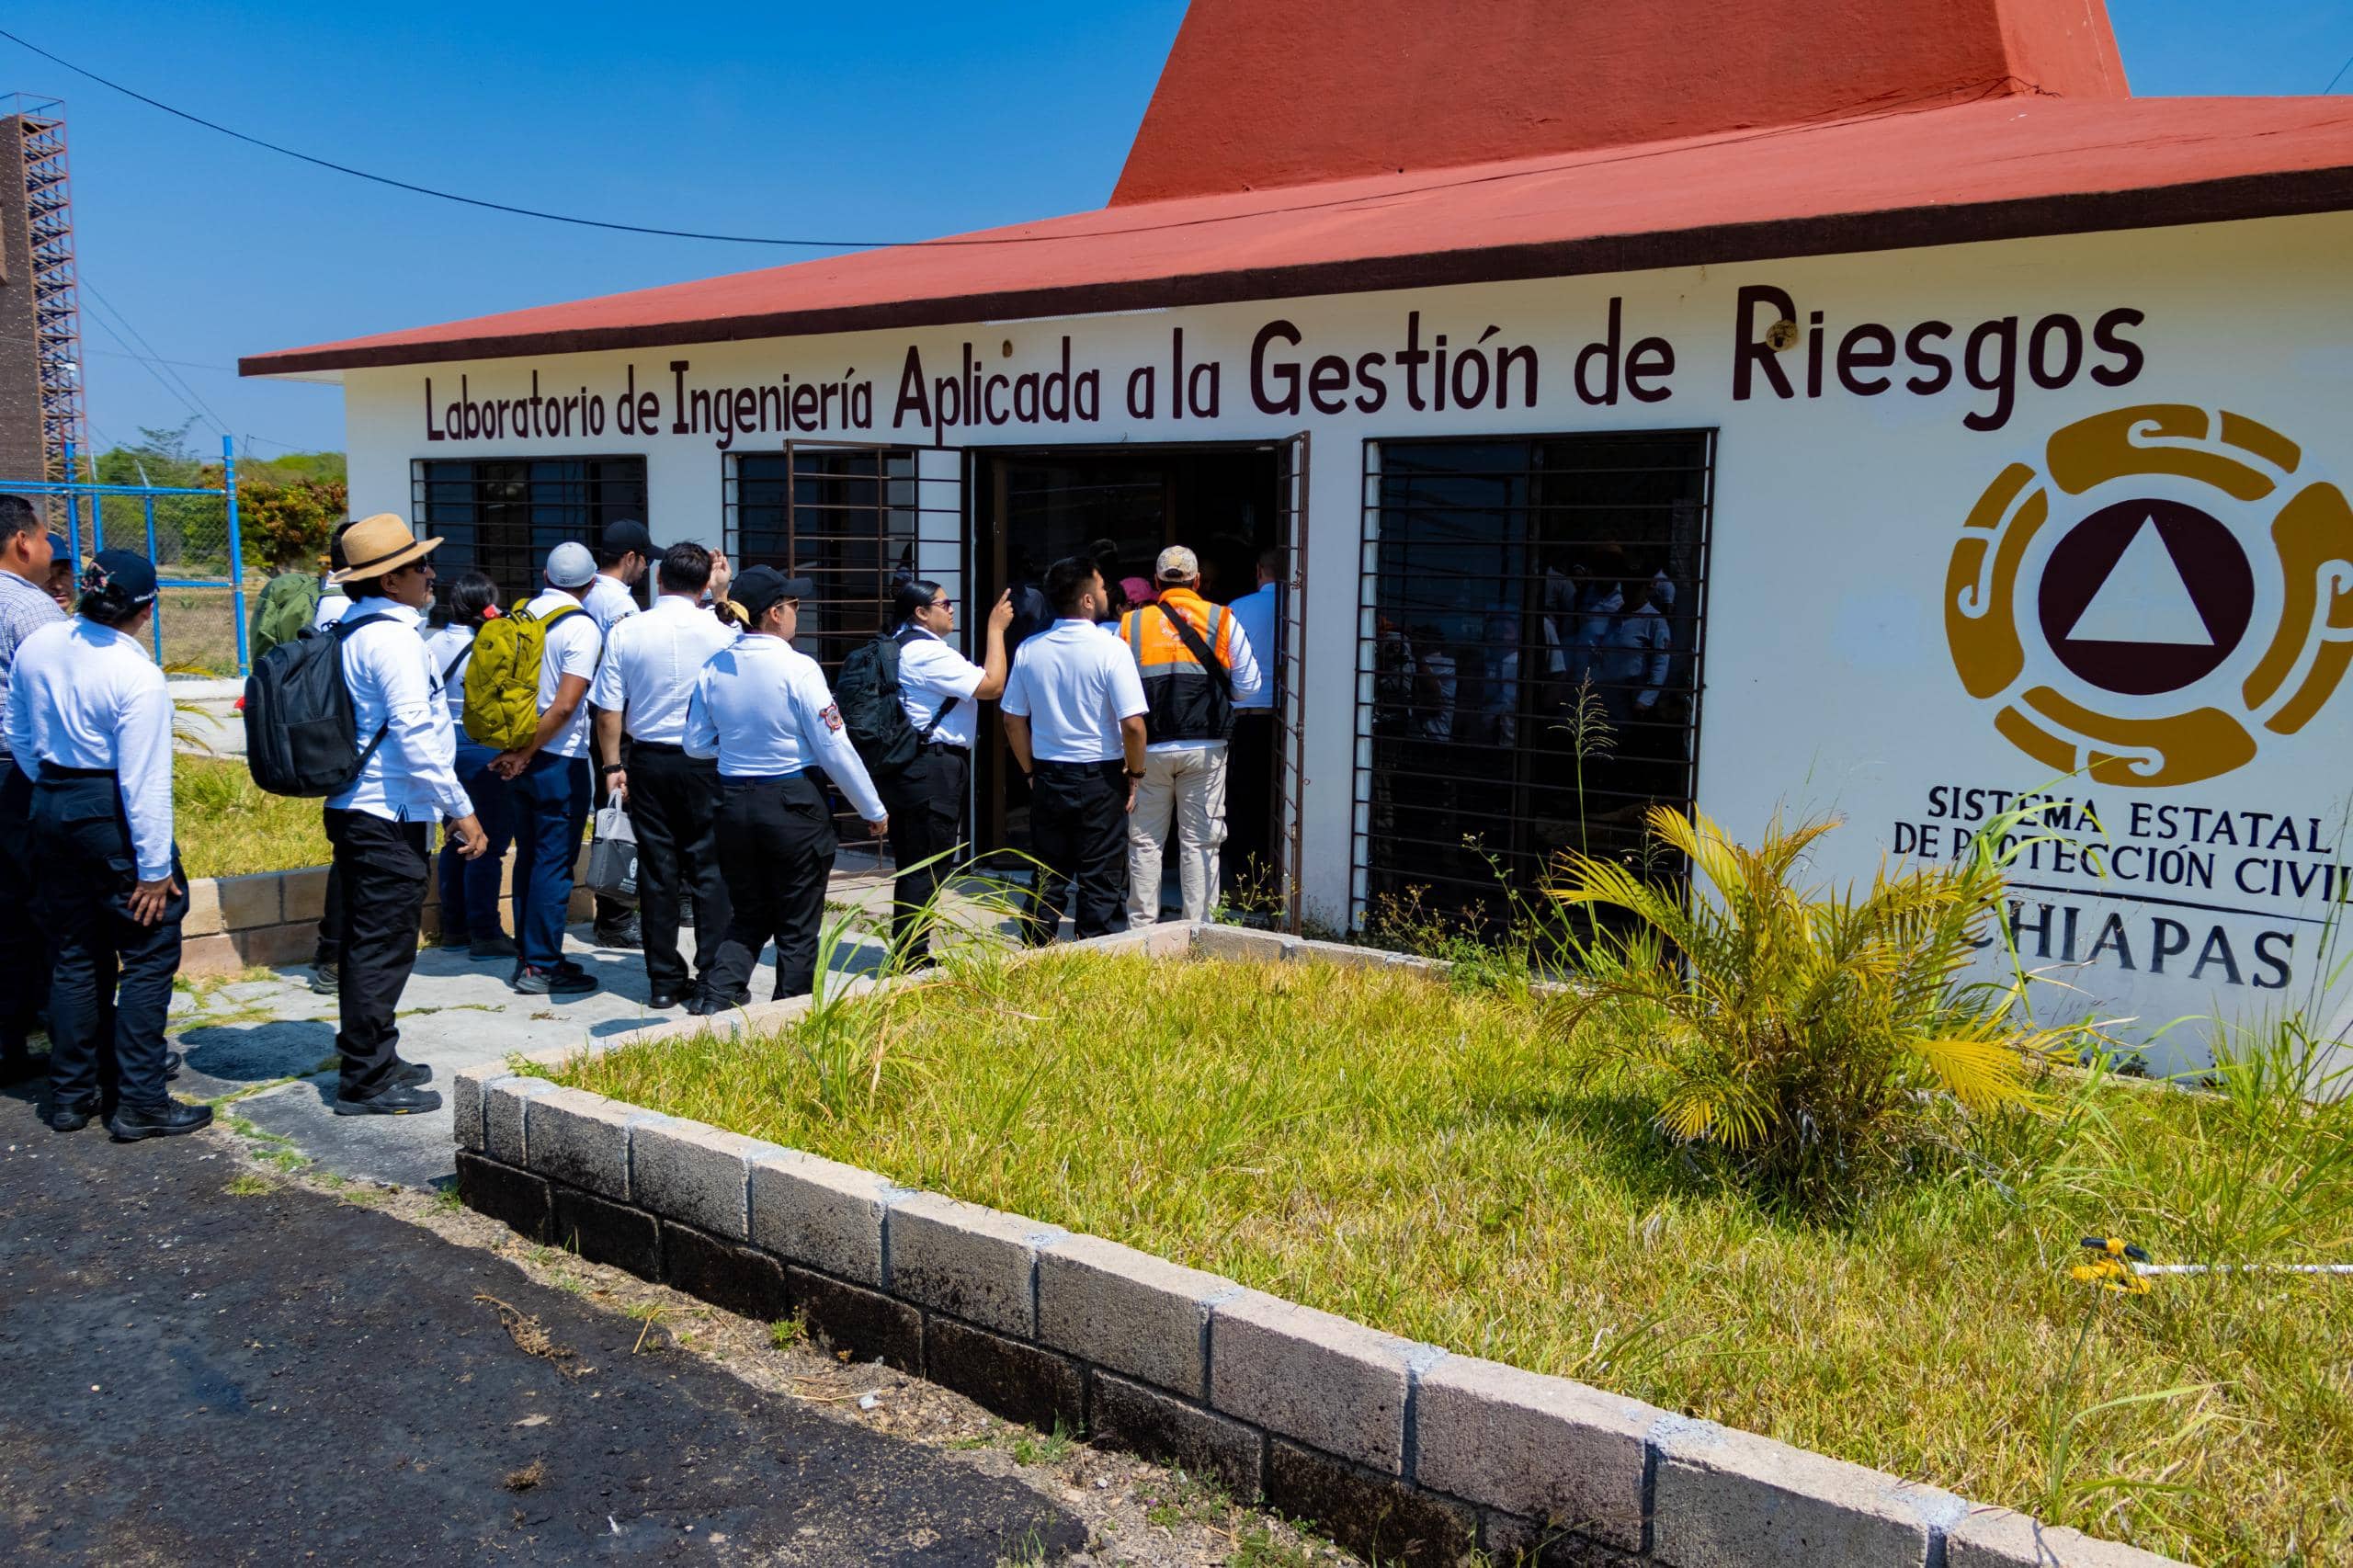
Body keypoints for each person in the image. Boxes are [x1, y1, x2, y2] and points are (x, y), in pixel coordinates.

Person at [6, 550, 209, 1138]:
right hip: (110, 811)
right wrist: (151, 871)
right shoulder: (136, 675)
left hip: (50, 799)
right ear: (147, 609)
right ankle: (141, 1101)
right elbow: (144, 780)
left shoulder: (40, 645)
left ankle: (72, 1096)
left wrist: (55, 786)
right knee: (147, 954)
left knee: (74, 952)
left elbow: (18, 732)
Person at [318, 516, 490, 1114]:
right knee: (381, 947)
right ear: (389, 581)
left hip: (372, 806)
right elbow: (415, 734)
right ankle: (364, 1080)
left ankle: (377, 1055)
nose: (429, 574)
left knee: (379, 943)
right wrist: (461, 809)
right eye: (419, 566)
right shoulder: (391, 640)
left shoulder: (355, 629)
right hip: (382, 811)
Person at [684, 566, 887, 1012]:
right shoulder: (798, 668)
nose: (799, 612)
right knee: (797, 925)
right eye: (794, 605)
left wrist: (738, 745)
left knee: (750, 914)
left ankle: (713, 999)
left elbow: (696, 744)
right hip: (793, 805)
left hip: (734, 802)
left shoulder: (716, 666)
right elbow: (834, 747)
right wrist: (871, 808)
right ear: (775, 613)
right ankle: (790, 1018)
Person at [592, 541, 739, 1009]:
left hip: (649, 760)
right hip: (708, 762)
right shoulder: (723, 631)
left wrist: (613, 765)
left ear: (659, 580)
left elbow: (609, 709)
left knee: (658, 870)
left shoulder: (629, 629)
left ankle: (662, 981)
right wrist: (723, 595)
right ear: (702, 584)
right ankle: (713, 972)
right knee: (710, 871)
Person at [1002, 556, 1148, 945]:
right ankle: (1096, 954)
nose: (1105, 594)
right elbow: (1132, 724)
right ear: (1086, 600)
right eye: (1101, 588)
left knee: (1047, 872)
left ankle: (1034, 953)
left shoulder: (1030, 649)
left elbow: (1012, 720)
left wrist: (1031, 771)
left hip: (1049, 773)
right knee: (1101, 876)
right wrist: (1136, 774)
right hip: (1102, 776)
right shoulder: (1111, 648)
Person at [1116, 545, 1262, 926]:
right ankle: (1198, 931)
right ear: (1198, 581)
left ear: (1155, 582)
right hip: (1206, 745)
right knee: (1200, 842)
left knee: (1146, 843)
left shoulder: (1131, 625)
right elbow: (1249, 686)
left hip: (1149, 748)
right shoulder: (1222, 618)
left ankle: (1140, 933)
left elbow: (1117, 691)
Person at [877, 579, 1014, 965]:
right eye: (945, 603)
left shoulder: (899, 645)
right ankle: (913, 956)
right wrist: (995, 629)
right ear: (921, 612)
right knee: (927, 865)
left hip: (911, 766)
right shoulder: (927, 653)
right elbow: (992, 685)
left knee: (916, 861)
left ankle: (909, 948)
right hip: (931, 769)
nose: (951, 610)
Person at [491, 541, 604, 995]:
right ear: (591, 583)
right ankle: (541, 966)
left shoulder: (521, 615)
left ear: (544, 575)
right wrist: (529, 752)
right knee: (554, 865)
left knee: (531, 858)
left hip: (515, 751)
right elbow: (564, 706)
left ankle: (531, 955)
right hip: (556, 759)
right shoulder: (581, 628)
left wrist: (517, 751)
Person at [0, 498, 63, 1084]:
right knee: (34, 907)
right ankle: (58, 1038)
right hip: (14, 775)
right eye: (46, 540)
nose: (49, 552)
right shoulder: (29, 607)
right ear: (23, 541)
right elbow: (57, 701)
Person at [423, 571, 515, 959]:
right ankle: (486, 931)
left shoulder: (430, 641)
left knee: (456, 834)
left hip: (444, 744)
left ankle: (455, 927)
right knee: (486, 842)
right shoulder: (490, 645)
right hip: (481, 745)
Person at [584, 519, 652, 949]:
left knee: (608, 815)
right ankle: (615, 918)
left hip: (589, 720)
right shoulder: (620, 606)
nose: (645, 569)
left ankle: (613, 914)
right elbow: (627, 674)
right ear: (630, 559)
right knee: (620, 820)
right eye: (644, 559)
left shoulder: (584, 591)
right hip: (616, 723)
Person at [1222, 547, 1283, 889]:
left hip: (1245, 716)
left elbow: (1226, 663)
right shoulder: (1297, 609)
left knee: (1242, 799)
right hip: (1285, 719)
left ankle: (1245, 882)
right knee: (1276, 799)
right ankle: (1277, 874)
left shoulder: (1238, 608)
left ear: (1259, 570)